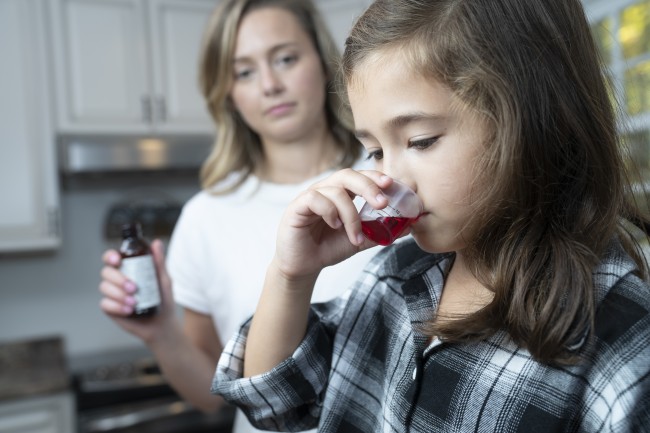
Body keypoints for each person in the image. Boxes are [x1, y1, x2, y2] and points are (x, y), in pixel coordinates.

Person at [212, 0, 650, 431]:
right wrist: (291, 274)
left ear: (532, 118)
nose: (391, 181)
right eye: (375, 152)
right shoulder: (393, 278)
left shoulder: (621, 336)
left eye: (421, 141)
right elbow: (275, 404)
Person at [98, 1, 381, 432]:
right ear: (228, 92)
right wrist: (161, 334)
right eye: (244, 71)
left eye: (285, 58)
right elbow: (211, 397)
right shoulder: (204, 218)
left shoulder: (386, 179)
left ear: (324, 64)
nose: (270, 84)